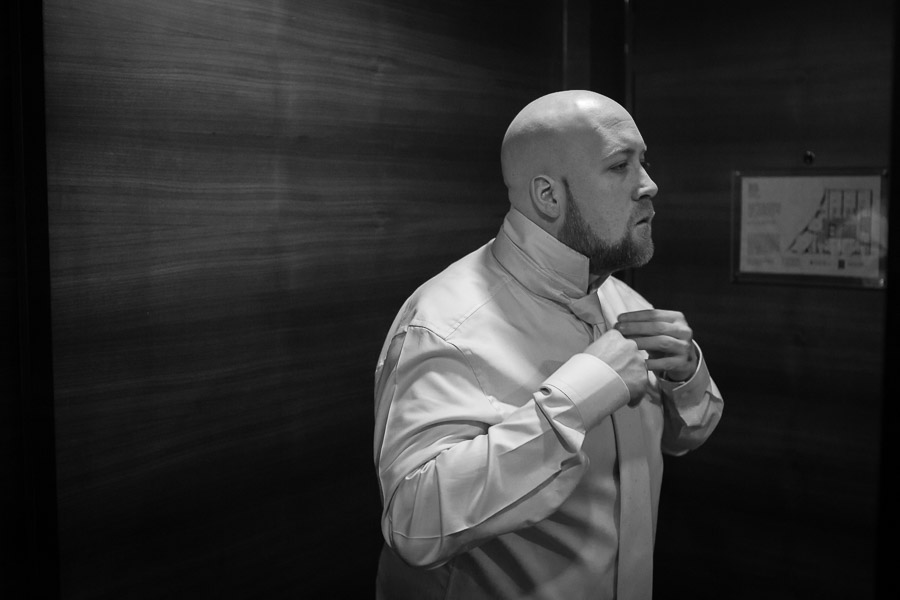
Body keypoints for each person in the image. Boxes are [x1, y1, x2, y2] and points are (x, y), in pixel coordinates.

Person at [372, 90, 723, 600]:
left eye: (643, 162)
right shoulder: (445, 325)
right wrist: (577, 399)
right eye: (620, 166)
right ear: (549, 197)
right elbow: (413, 524)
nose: (649, 185)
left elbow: (684, 437)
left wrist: (686, 374)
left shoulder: (620, 298)